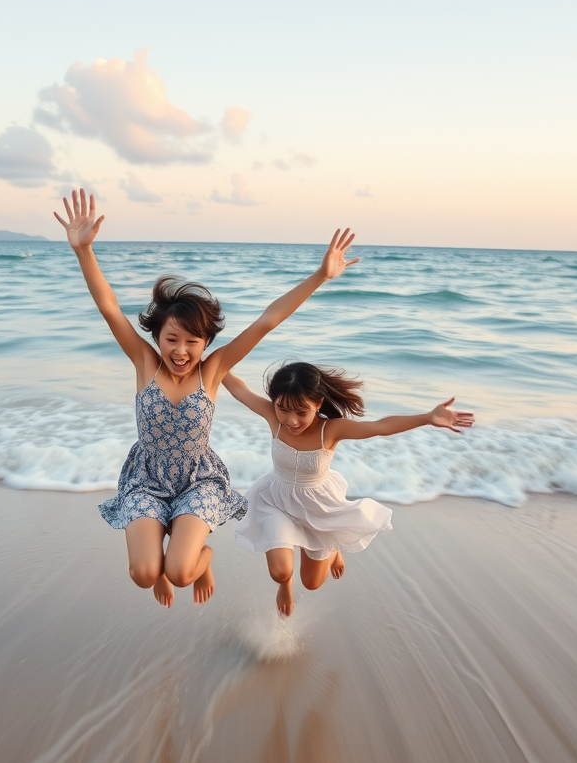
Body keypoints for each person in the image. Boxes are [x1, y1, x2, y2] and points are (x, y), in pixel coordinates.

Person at [53, 189, 358, 607]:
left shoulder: (212, 370)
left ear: (206, 342)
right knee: (145, 575)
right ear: (156, 338)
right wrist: (84, 251)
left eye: (192, 341)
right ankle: (164, 554)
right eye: (171, 339)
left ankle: (202, 557)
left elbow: (267, 320)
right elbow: (109, 308)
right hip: (147, 477)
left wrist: (319, 277)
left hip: (199, 480)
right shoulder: (145, 363)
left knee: (179, 573)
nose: (181, 351)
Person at [222, 362, 474, 616]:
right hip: (276, 500)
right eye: (283, 409)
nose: (292, 420)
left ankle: (334, 550)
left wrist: (428, 418)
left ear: (318, 403)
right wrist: (201, 357)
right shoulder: (273, 418)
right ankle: (286, 584)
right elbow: (238, 388)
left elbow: (380, 427)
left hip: (318, 507)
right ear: (274, 402)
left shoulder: (330, 430)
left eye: (302, 411)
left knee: (312, 583)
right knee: (280, 571)